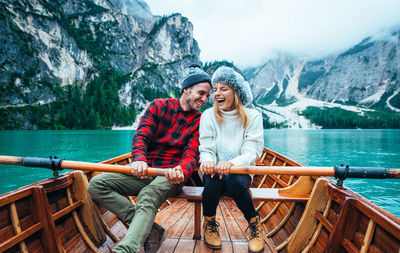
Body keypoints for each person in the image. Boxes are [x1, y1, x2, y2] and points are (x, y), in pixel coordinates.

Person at [88, 64, 212, 253]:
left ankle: (127, 248)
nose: (204, 99)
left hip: (171, 176)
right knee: (96, 185)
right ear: (186, 89)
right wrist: (138, 158)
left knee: (148, 195)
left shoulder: (199, 120)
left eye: (206, 96)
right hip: (145, 171)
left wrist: (182, 171)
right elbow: (142, 136)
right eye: (201, 93)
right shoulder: (158, 106)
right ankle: (150, 229)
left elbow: (192, 154)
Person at [199, 66, 264, 253]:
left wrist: (232, 164)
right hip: (214, 171)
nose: (217, 93)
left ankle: (254, 224)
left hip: (240, 171)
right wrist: (208, 161)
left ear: (236, 92)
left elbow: (252, 151)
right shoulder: (208, 116)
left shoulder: (253, 116)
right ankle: (209, 222)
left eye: (223, 89)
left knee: (233, 179)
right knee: (212, 180)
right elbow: (206, 148)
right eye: (216, 89)